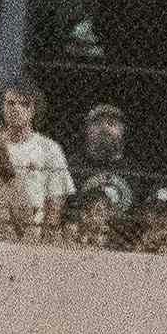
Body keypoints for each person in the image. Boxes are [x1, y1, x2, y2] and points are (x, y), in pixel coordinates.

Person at [0, 83, 73, 226]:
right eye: (11, 103)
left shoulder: (49, 148)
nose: (16, 109)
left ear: (33, 109)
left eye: (24, 104)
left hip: (32, 228)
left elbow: (56, 198)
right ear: (2, 108)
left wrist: (45, 236)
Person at [70, 102, 140, 245]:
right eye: (97, 123)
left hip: (123, 244)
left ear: (123, 130)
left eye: (111, 123)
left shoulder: (135, 171)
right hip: (80, 241)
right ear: (87, 130)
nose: (104, 128)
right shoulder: (73, 165)